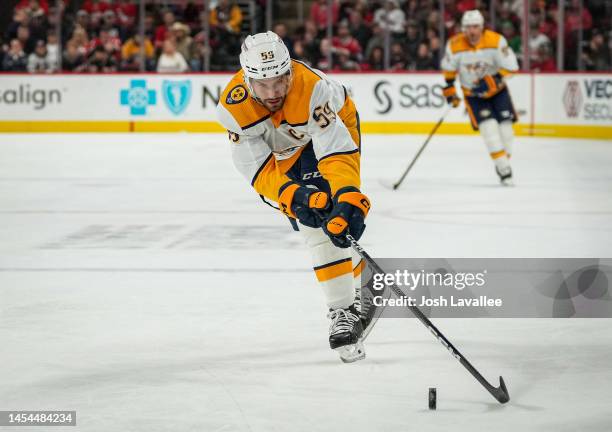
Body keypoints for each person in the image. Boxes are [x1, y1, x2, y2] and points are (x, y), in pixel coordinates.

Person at [216, 31, 370, 363]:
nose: (273, 93)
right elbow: (257, 170)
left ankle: (343, 311)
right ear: (247, 79)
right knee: (311, 214)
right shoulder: (233, 108)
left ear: (289, 72)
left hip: (333, 129)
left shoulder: (312, 87)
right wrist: (293, 195)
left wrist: (347, 194)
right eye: (263, 85)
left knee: (329, 221)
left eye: (279, 81)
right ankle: (364, 283)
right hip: (285, 149)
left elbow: (335, 150)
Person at [441, 10, 519, 186]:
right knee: (489, 130)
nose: (472, 31)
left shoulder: (496, 41)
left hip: (498, 92)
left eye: (475, 26)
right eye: (468, 27)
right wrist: (450, 90)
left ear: (482, 27)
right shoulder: (454, 44)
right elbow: (449, 70)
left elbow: (512, 67)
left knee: (507, 132)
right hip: (473, 95)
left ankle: (502, 162)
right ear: (463, 28)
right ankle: (505, 170)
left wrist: (493, 80)